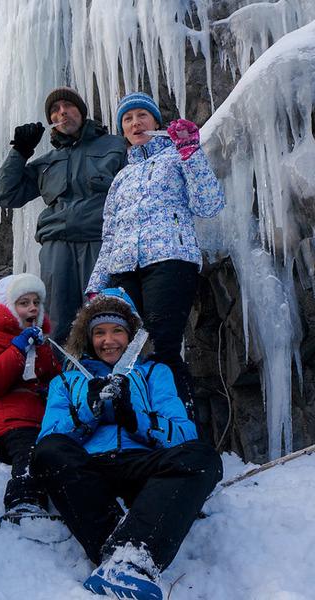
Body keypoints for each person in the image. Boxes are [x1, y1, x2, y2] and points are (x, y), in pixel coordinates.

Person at [33, 288, 222, 599]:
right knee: (49, 454)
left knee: (202, 457)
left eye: (118, 331)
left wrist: (137, 421)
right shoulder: (65, 380)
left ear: (133, 336)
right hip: (89, 467)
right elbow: (50, 437)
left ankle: (129, 557)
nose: (109, 341)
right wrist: (87, 413)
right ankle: (126, 557)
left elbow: (184, 434)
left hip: (142, 463)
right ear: (87, 337)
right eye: (100, 333)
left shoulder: (154, 373)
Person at [85, 91, 225, 418]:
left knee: (163, 345)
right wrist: (96, 285)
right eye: (128, 118)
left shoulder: (178, 157)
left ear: (156, 123)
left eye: (142, 116)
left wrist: (190, 151)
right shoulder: (121, 178)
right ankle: (140, 425)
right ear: (123, 130)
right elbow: (109, 235)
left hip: (170, 259)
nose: (135, 122)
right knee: (122, 349)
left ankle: (183, 426)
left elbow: (210, 204)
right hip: (122, 269)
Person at [0, 87, 127, 344]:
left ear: (81, 112)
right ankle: (61, 379)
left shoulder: (116, 146)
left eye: (68, 106)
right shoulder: (47, 162)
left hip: (99, 242)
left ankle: (112, 378)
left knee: (106, 314)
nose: (61, 112)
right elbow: (5, 194)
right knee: (58, 320)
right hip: (58, 247)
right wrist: (20, 152)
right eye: (55, 110)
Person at [0, 273, 61, 523]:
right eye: (24, 303)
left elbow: (53, 374)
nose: (32, 308)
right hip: (11, 416)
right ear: (9, 308)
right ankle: (24, 500)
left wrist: (53, 389)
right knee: (29, 453)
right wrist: (17, 349)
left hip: (40, 415)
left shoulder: (41, 339)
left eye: (36, 302)